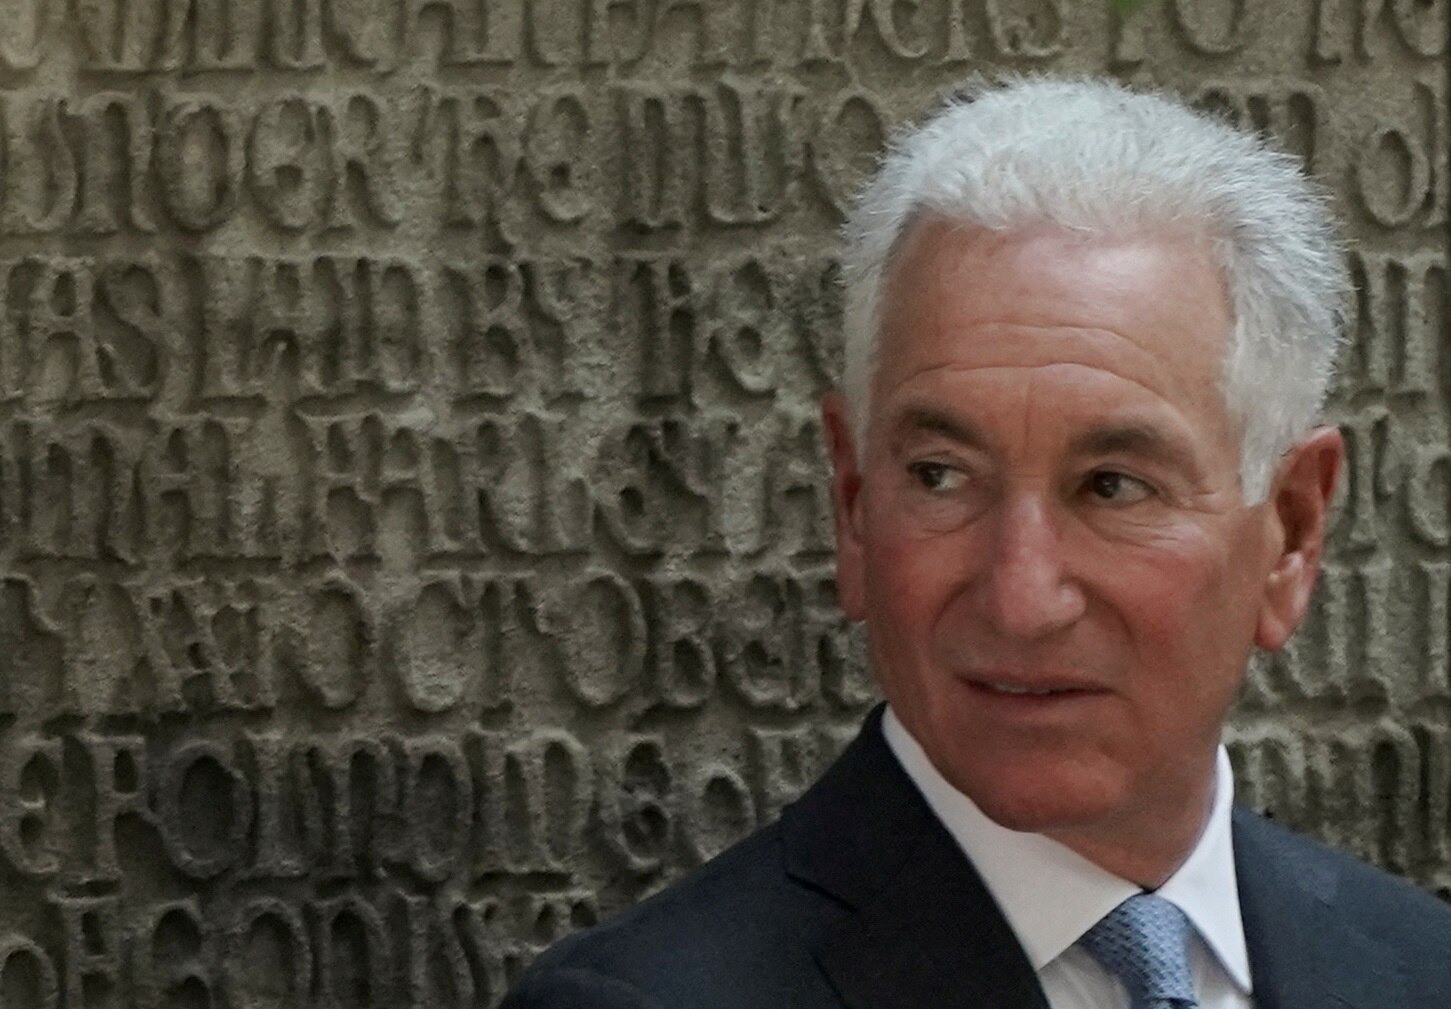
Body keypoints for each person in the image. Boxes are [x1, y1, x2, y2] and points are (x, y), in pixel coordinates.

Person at [502, 77, 1451, 1009]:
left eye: (1111, 487)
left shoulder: (1422, 968)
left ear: (1289, 532)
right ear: (852, 502)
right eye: (941, 476)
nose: (1019, 598)